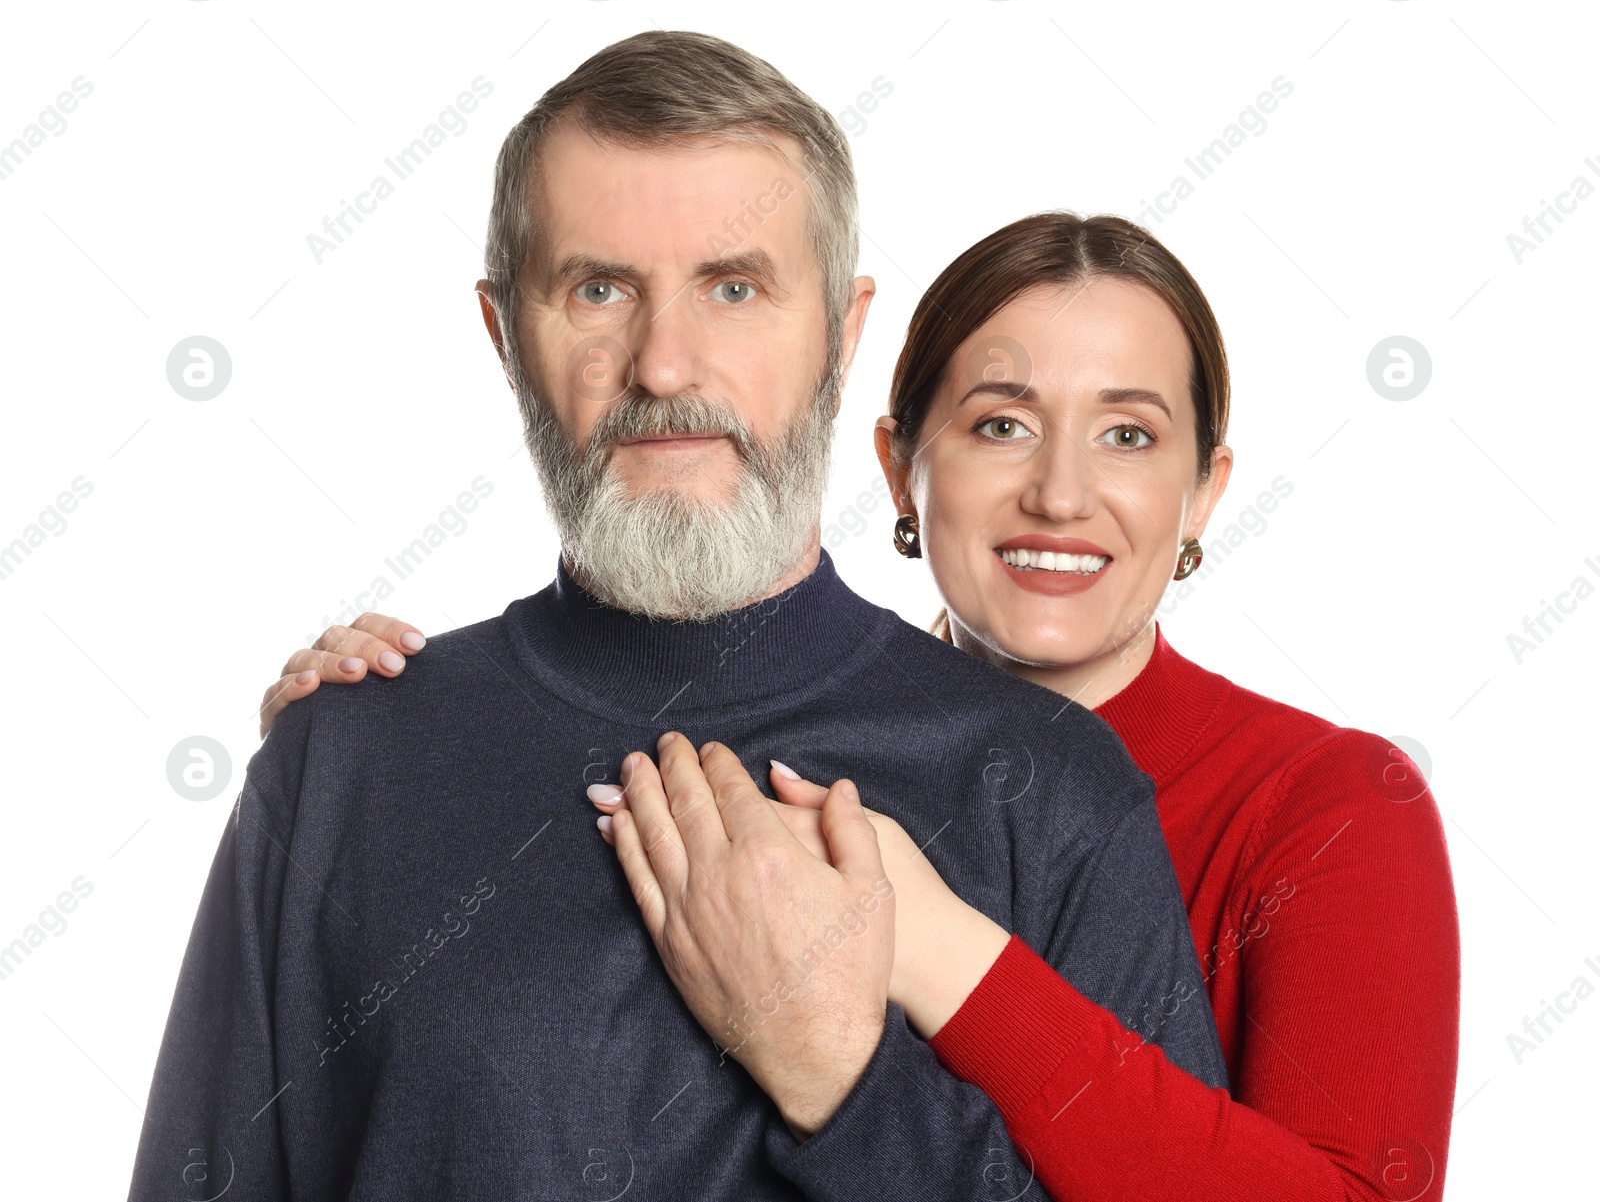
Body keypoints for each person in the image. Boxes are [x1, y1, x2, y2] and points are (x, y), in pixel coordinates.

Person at [130, 35, 1226, 1202]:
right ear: (507, 336)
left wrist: (843, 1078)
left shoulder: (1053, 789)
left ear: (843, 336)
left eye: (734, 287)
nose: (663, 364)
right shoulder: (342, 758)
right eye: (598, 290)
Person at [271, 213, 1461, 1200]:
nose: (1060, 489)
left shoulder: (1330, 804)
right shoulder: (763, 739)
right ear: (897, 466)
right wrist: (366, 762)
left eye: (1129, 435)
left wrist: (941, 952)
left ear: (1204, 491)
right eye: (1000, 423)